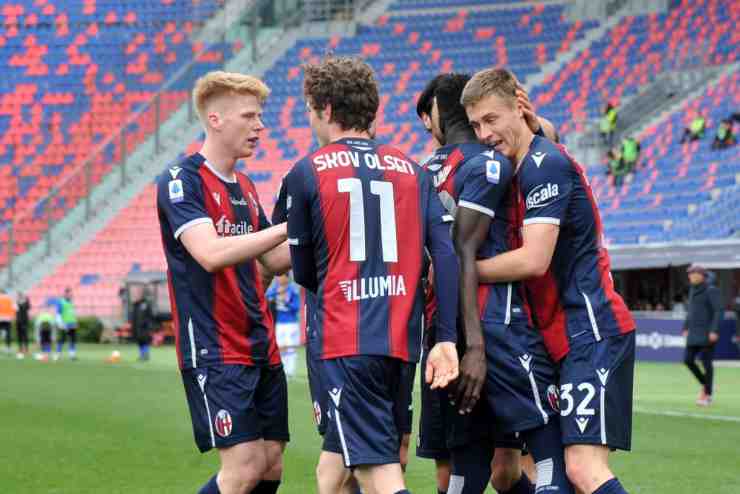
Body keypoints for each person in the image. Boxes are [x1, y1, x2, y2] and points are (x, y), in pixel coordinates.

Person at [284, 56, 460, 494]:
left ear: (324, 109)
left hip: (346, 342)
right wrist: (446, 337)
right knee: (333, 471)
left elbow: (304, 271)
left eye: (310, 109)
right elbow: (446, 254)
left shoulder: (307, 171)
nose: (310, 119)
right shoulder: (416, 173)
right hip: (401, 343)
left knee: (376, 473)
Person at [463, 67, 636, 494]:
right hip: (559, 337)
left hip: (592, 329)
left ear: (518, 110)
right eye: (474, 125)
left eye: (491, 120)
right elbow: (544, 133)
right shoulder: (527, 162)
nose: (483, 134)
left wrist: (461, 271)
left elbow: (536, 259)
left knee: (582, 468)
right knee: (543, 469)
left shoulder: (543, 165)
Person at [156, 70, 292, 494]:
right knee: (244, 468)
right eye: (249, 116)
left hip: (259, 342)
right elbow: (210, 254)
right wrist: (290, 225)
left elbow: (273, 258)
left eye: (260, 116)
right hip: (216, 347)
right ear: (215, 119)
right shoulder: (183, 180)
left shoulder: (247, 187)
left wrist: (327, 236)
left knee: (270, 466)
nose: (260, 126)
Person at [682, 264, 722, 407]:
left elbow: (718, 311)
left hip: (707, 334)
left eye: (693, 273)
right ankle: (707, 385)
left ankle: (707, 394)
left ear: (701, 275)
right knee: (687, 360)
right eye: (689, 273)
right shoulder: (693, 290)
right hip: (694, 333)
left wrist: (714, 330)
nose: (690, 276)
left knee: (706, 363)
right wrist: (685, 326)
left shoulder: (711, 290)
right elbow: (691, 311)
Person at [266, 273, 301, 378]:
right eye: (277, 277)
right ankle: (281, 370)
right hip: (279, 323)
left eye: (281, 276)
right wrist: (276, 294)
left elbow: (296, 307)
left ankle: (290, 371)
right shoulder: (275, 288)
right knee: (279, 347)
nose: (279, 279)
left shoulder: (292, 289)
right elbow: (267, 297)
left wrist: (286, 302)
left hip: (291, 323)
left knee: (290, 346)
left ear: (286, 277)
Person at [130, 286, 156, 362]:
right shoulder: (135, 305)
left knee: (145, 340)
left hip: (145, 327)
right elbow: (133, 317)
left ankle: (146, 354)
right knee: (139, 341)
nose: (137, 296)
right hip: (136, 327)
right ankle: (142, 355)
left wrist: (149, 325)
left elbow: (150, 315)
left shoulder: (146, 304)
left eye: (138, 294)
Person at [53, 287, 79, 361]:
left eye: (71, 293)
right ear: (66, 294)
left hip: (72, 324)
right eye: (69, 293)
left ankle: (72, 355)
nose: (71, 295)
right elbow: (58, 314)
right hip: (64, 324)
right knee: (61, 339)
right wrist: (60, 323)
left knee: (73, 340)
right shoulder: (61, 302)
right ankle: (58, 354)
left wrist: (75, 321)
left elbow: (72, 313)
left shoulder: (71, 302)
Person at [16, 291, 31, 359]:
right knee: (19, 335)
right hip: (18, 321)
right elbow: (15, 310)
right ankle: (20, 348)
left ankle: (26, 349)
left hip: (24, 321)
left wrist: (27, 299)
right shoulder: (16, 302)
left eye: (19, 295)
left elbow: (28, 307)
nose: (18, 296)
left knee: (25, 335)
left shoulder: (25, 302)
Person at [0, 289, 14, 355]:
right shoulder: (9, 299)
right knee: (8, 333)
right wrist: (12, 317)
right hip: (8, 318)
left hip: (0, 318)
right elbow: (13, 309)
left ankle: (4, 347)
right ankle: (8, 347)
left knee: (3, 333)